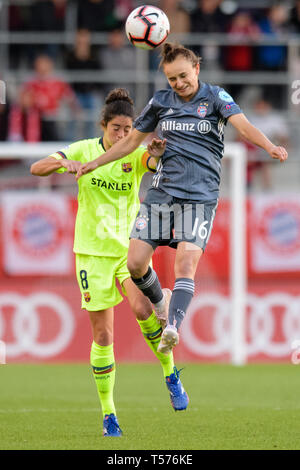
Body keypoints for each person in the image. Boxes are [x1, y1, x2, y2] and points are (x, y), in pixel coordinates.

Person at [76, 43, 288, 360]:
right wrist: (96, 162)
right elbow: (132, 142)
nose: (179, 83)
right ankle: (161, 304)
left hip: (200, 196)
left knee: (186, 263)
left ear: (197, 69)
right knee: (135, 263)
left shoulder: (216, 97)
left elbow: (243, 126)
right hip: (163, 191)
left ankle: (172, 327)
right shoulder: (161, 101)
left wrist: (269, 147)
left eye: (183, 76)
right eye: (172, 78)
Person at [30, 88, 189, 438]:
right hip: (91, 253)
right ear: (103, 125)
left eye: (128, 128)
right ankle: (109, 415)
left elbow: (153, 161)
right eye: (117, 128)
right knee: (104, 335)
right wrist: (62, 162)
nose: (122, 134)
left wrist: (159, 154)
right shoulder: (84, 150)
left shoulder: (133, 154)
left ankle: (170, 374)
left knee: (144, 310)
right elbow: (36, 167)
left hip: (127, 250)